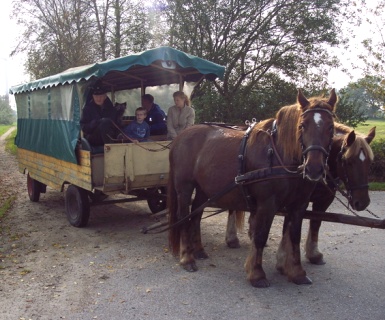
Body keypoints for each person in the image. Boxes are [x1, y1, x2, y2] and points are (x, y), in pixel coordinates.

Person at [80, 81, 122, 146]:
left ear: (105, 96)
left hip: (110, 136)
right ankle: (111, 148)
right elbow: (84, 128)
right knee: (104, 122)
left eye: (101, 96)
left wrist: (119, 134)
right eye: (96, 96)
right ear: (93, 96)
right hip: (93, 138)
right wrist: (94, 123)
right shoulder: (87, 109)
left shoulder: (112, 110)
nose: (98, 99)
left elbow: (117, 125)